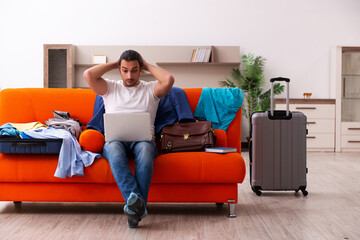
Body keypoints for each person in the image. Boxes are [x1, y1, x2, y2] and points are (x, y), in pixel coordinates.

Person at [83, 50, 174, 228]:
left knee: (146, 152)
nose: (129, 75)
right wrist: (114, 62)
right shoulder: (109, 88)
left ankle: (134, 211)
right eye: (124, 70)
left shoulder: (151, 89)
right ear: (119, 69)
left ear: (141, 70)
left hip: (143, 141)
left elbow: (169, 79)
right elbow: (88, 75)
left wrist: (146, 64)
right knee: (115, 153)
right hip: (115, 141)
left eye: (134, 70)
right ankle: (138, 207)